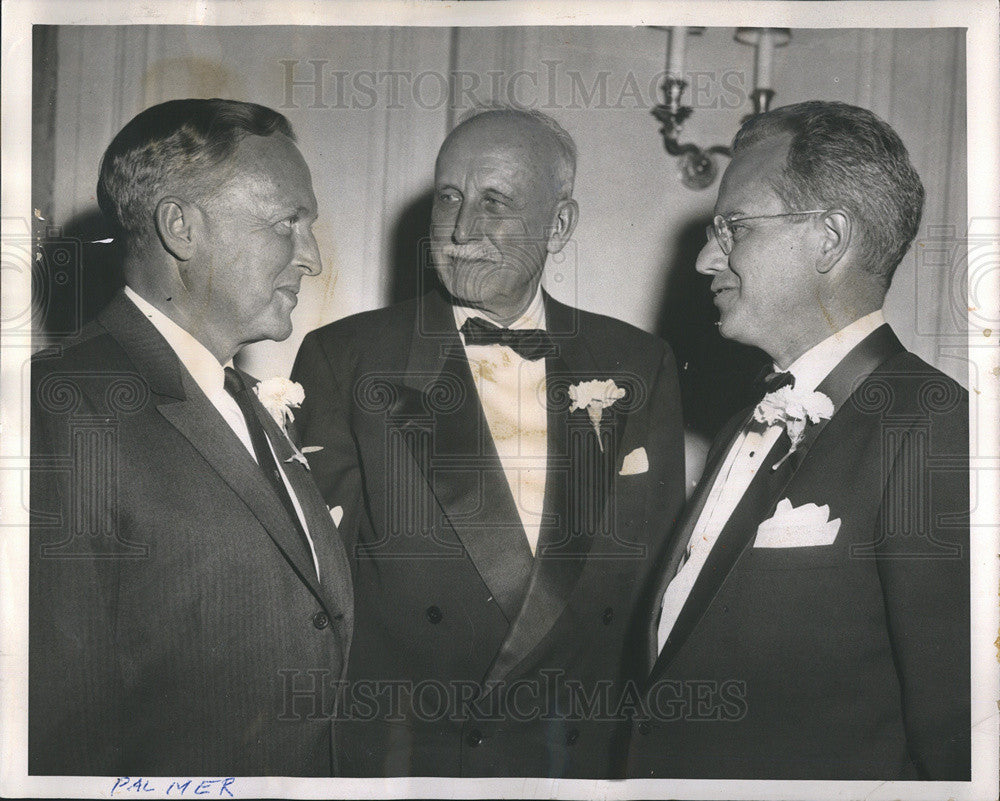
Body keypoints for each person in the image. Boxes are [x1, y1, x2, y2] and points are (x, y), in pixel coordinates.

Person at [291, 107, 685, 777]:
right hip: (408, 756)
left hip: (575, 757)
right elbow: (315, 600)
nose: (460, 229)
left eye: (494, 202)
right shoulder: (346, 359)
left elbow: (652, 590)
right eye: (449, 197)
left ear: (559, 225)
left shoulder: (636, 363)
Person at [626, 100, 969, 780]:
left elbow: (960, 746)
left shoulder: (933, 428)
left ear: (830, 238)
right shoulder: (746, 419)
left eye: (734, 228)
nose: (702, 259)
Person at [29, 98, 353, 776]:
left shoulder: (242, 399)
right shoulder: (60, 405)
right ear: (181, 227)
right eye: (288, 222)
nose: (313, 257)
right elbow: (59, 727)